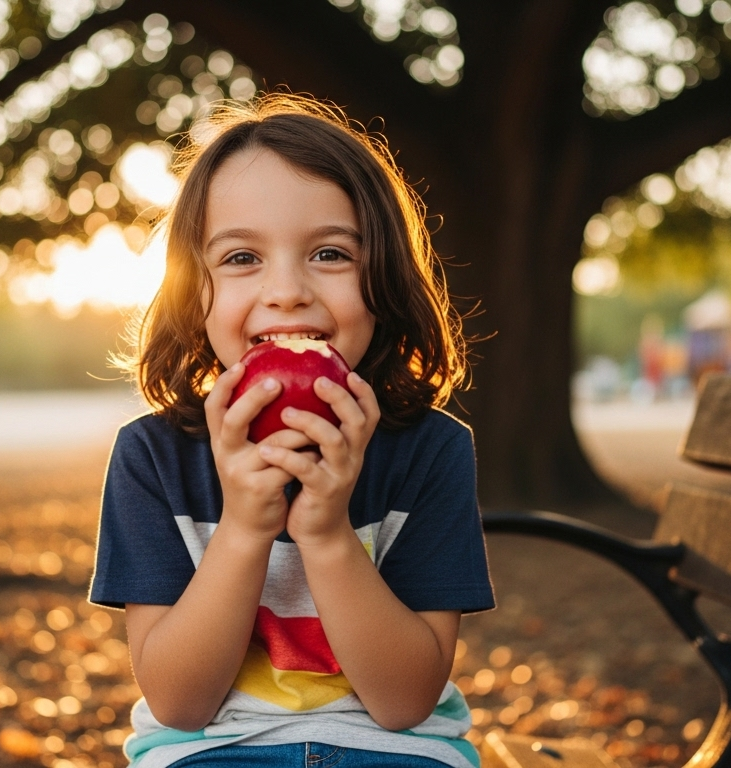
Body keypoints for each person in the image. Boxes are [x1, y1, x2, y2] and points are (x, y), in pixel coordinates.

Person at [90, 94, 494, 768]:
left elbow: (404, 702)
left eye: (330, 253)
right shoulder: (152, 458)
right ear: (195, 290)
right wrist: (246, 527)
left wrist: (327, 535)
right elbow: (179, 703)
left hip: (391, 750)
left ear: (384, 278)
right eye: (242, 258)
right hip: (212, 751)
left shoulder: (432, 451)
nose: (286, 290)